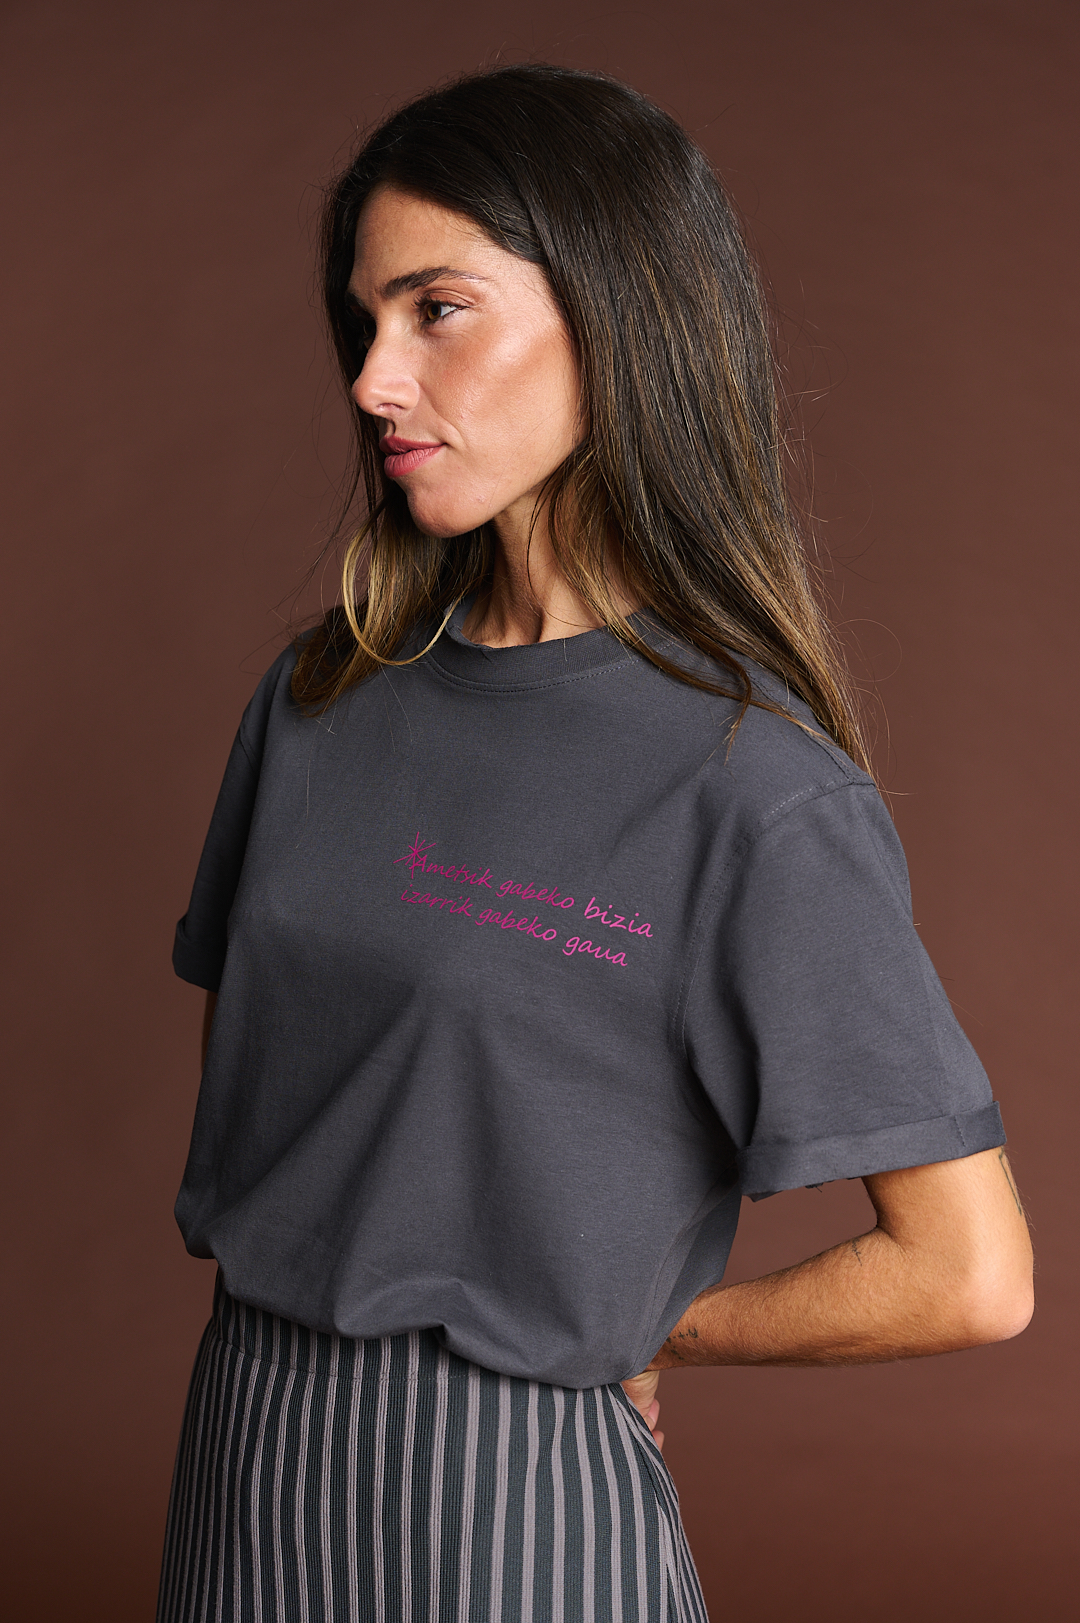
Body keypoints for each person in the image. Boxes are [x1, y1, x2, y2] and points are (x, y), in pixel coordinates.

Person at [157, 63, 1033, 1623]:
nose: (375, 379)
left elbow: (968, 1276)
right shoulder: (315, 704)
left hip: (510, 1504)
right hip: (246, 1452)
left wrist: (659, 1329)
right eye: (366, 322)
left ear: (618, 316)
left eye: (438, 311)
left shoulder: (752, 789)